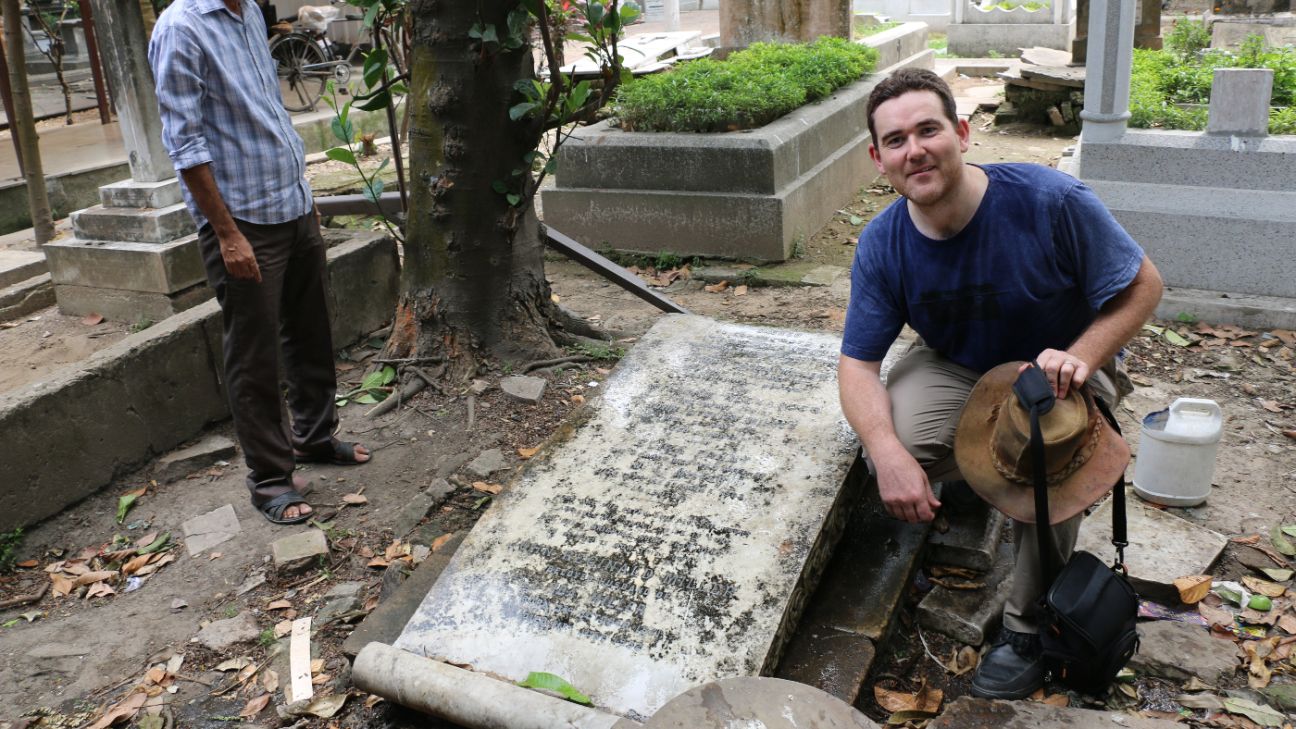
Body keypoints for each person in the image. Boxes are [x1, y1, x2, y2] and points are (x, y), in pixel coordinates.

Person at [838, 68, 1163, 699]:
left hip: (1061, 370)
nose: (916, 150)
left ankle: (1026, 625)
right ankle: (972, 480)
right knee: (898, 439)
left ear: (961, 133)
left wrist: (1085, 356)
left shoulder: (1050, 201)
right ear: (879, 160)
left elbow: (1144, 285)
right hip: (960, 365)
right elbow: (857, 366)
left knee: (1047, 452)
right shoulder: (882, 243)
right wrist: (887, 454)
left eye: (929, 130)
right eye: (897, 140)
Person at [149, 0, 370, 524]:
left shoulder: (249, 11)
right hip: (242, 221)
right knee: (255, 355)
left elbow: (266, 107)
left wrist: (303, 191)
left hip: (290, 204)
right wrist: (226, 233)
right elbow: (185, 142)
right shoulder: (181, 28)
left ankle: (313, 437)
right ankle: (271, 479)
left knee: (311, 330)